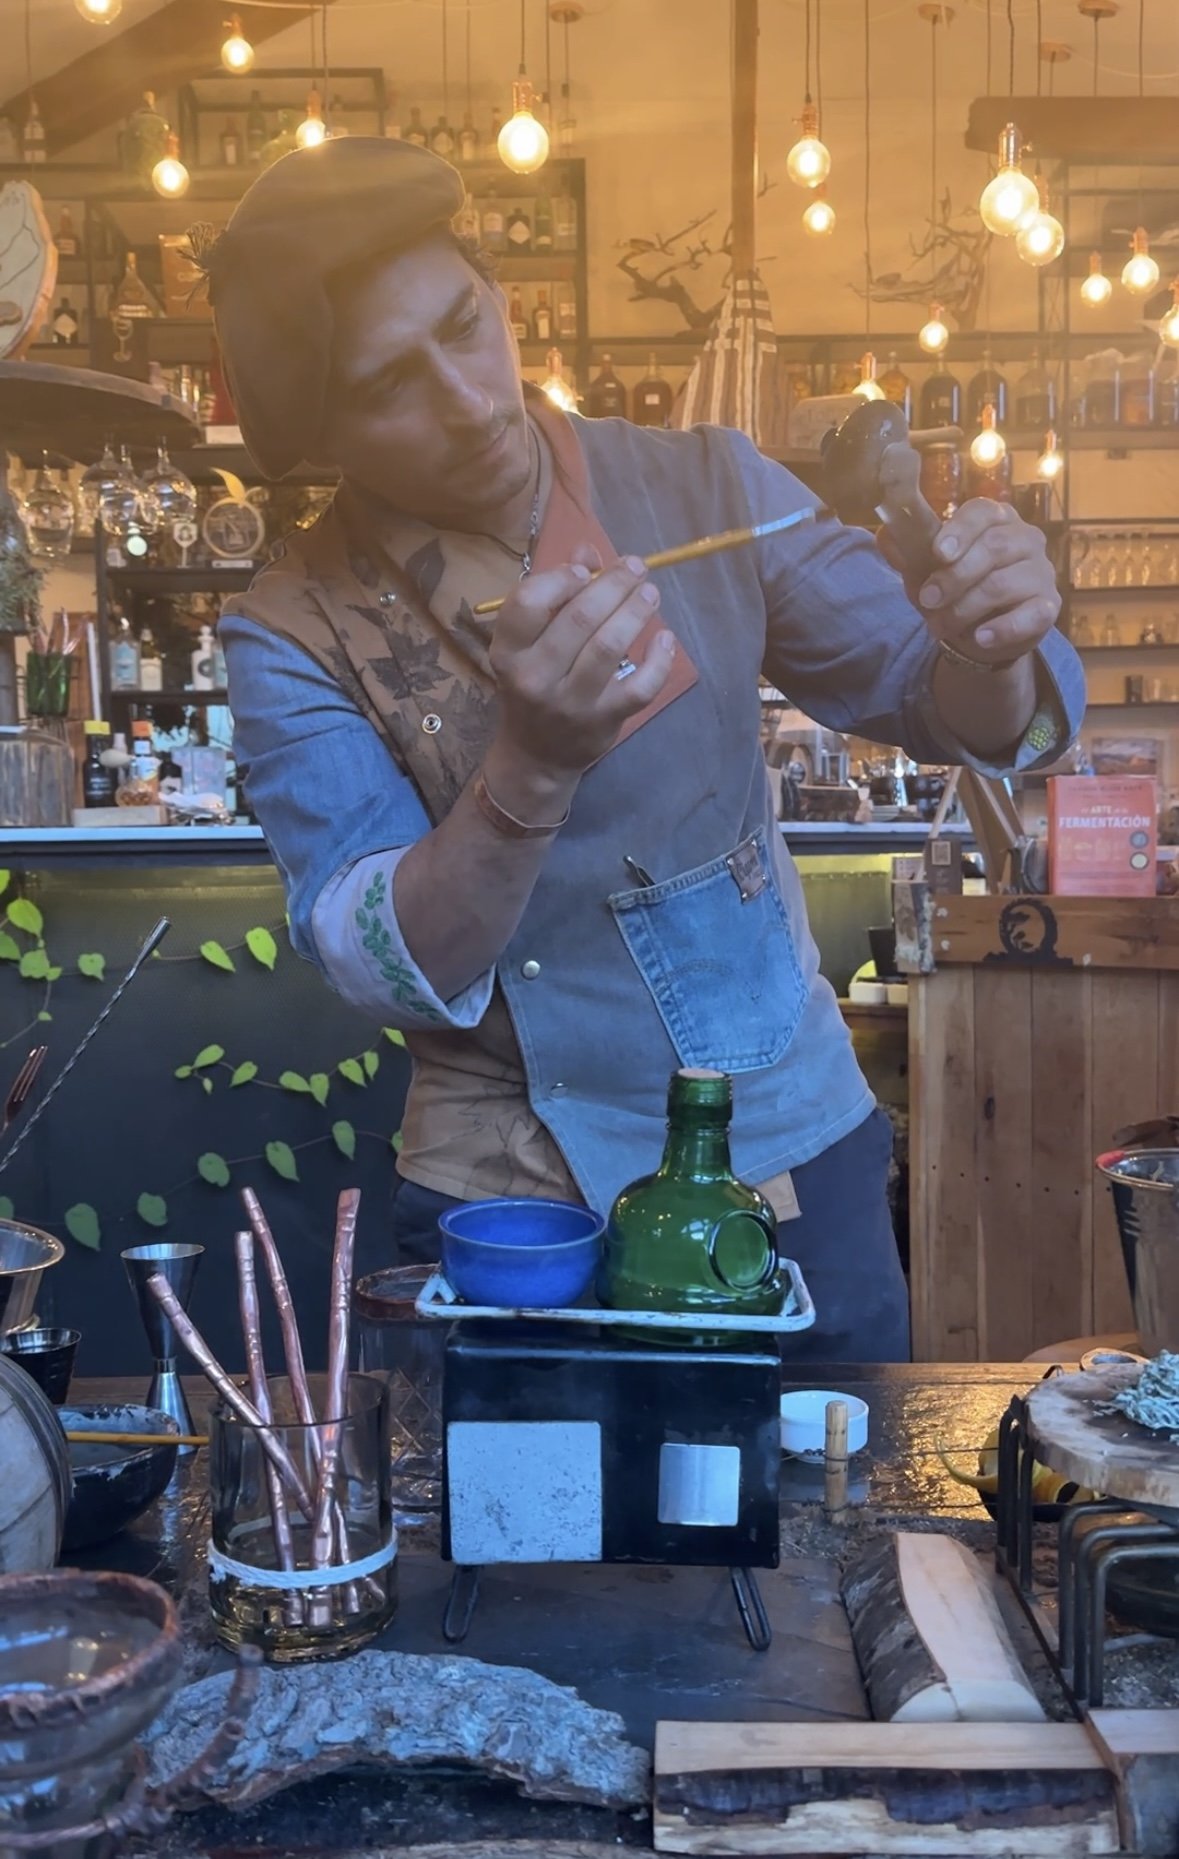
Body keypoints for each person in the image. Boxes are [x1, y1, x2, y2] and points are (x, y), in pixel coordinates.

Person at [208, 138, 1084, 1361]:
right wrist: (528, 768)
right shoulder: (293, 625)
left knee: (837, 1476)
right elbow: (381, 962)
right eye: (391, 383)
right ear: (325, 435)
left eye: (464, 326)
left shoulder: (706, 486)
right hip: (511, 1193)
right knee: (534, 1491)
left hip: (779, 1145)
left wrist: (989, 640)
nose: (470, 401)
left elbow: (936, 698)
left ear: (499, 290)